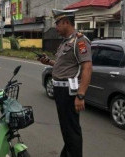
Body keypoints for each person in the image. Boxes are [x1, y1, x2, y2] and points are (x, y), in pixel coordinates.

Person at [38, 9, 92, 157]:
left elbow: (87, 67)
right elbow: (64, 66)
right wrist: (48, 61)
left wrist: (80, 95)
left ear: (66, 22)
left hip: (69, 92)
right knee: (66, 129)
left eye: (58, 23)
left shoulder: (80, 41)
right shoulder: (65, 43)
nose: (56, 27)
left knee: (71, 130)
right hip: (60, 91)